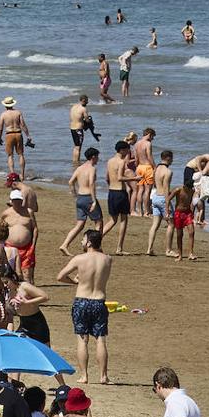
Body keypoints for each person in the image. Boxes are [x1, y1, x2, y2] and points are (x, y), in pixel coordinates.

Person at [57, 230, 113, 385]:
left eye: (83, 240)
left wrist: (76, 282)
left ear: (89, 243)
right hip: (99, 301)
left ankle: (84, 375)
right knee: (100, 340)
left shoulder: (79, 259)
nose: (81, 242)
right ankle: (103, 376)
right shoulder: (108, 259)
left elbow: (60, 276)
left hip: (82, 301)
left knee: (82, 340)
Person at [61, 147, 102, 255]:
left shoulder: (79, 168)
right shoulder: (92, 169)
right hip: (88, 197)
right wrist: (94, 201)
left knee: (79, 225)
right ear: (93, 157)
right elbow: (92, 184)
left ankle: (65, 244)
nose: (98, 159)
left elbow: (71, 182)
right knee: (98, 222)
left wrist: (74, 195)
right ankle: (95, 247)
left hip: (80, 197)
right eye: (97, 156)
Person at [102, 140, 137, 255]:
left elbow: (107, 178)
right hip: (120, 193)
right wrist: (134, 179)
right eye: (127, 150)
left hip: (111, 192)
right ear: (122, 150)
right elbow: (120, 178)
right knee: (123, 220)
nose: (128, 152)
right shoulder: (121, 162)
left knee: (112, 220)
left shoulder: (110, 161)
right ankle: (119, 248)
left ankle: (94, 240)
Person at [0, 97, 31, 177]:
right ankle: (22, 174)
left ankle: (12, 174)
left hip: (9, 134)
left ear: (5, 105)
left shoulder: (3, 114)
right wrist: (28, 135)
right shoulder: (18, 112)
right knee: (21, 154)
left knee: (10, 155)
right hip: (18, 134)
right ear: (12, 104)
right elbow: (23, 125)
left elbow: (0, 128)